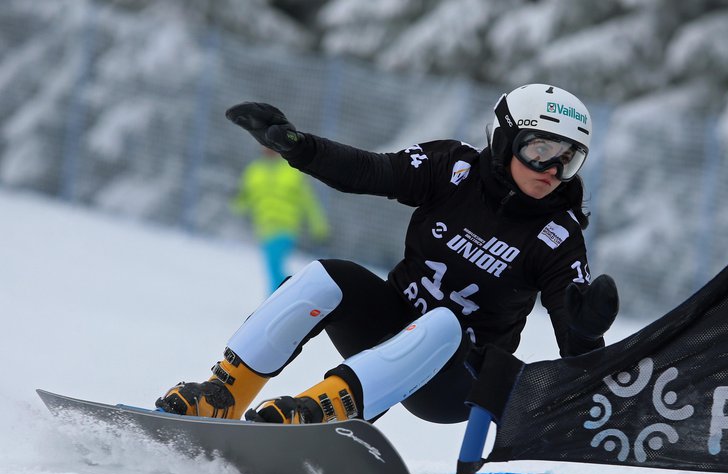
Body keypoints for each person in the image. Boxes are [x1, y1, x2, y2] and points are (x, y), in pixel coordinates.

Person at [155, 83, 619, 427]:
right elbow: (370, 171)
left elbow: (579, 365)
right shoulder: (452, 169)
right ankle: (223, 394)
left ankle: (321, 414)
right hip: (389, 328)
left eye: (570, 158)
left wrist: (584, 331)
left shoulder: (558, 234)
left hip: (456, 378)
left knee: (445, 322)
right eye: (540, 150)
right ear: (503, 141)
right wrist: (297, 147)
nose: (553, 170)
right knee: (327, 276)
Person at [233, 146, 330, 294]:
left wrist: (319, 226)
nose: (268, 150)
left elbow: (308, 202)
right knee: (273, 268)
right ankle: (288, 297)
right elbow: (243, 199)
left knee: (274, 267)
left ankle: (278, 301)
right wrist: (234, 202)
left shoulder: (292, 171)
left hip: (286, 228)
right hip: (264, 229)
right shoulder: (254, 171)